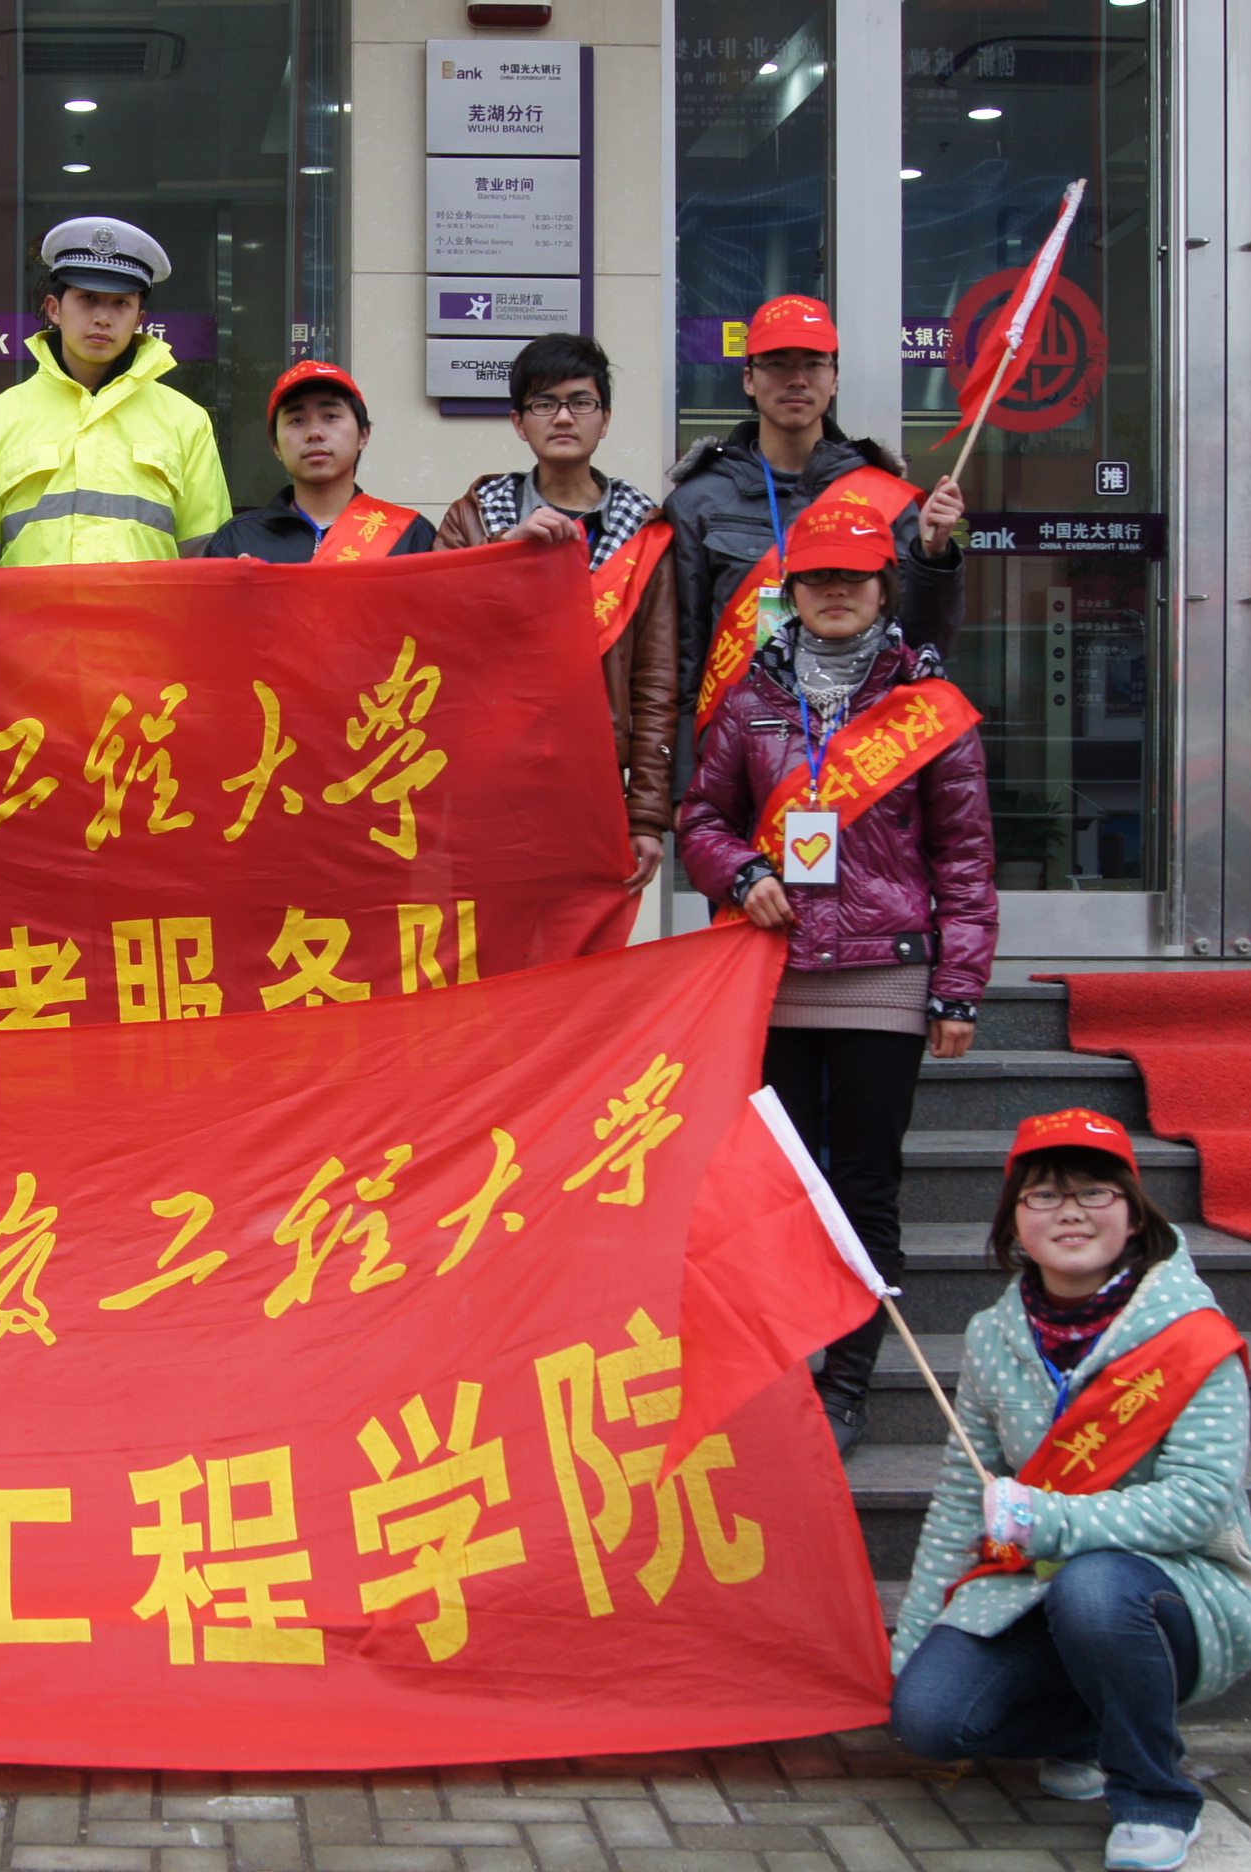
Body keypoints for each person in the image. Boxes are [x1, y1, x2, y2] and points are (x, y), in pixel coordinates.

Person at [674, 497, 995, 1450]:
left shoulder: (927, 705)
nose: (836, 594)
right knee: (780, 1183)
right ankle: (784, 1368)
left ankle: (848, 1381)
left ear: (884, 588)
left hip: (882, 980)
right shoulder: (751, 701)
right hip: (770, 978)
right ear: (795, 593)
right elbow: (702, 820)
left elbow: (965, 858)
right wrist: (743, 874)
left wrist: (959, 987)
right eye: (818, 580)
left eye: (853, 579)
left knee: (863, 1185)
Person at [890, 1109, 1251, 1872]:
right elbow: (962, 1497)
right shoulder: (993, 1336)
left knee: (1095, 1587)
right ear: (1014, 1223)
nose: (1069, 1212)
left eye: (1095, 1192)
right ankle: (1089, 1731)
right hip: (1032, 1587)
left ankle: (1155, 1796)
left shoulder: (1191, 1334)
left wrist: (1049, 1519)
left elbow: (1200, 1502)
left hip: (1180, 1586)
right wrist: (914, 1642)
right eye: (1043, 1195)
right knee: (928, 1718)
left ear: (1134, 1214)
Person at [431, 333, 680, 890]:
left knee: (581, 935)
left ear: (605, 419)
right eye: (544, 404)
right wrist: (504, 556)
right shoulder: (475, 517)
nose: (564, 417)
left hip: (594, 781)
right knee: (490, 932)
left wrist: (645, 814)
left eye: (581, 402)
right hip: (488, 775)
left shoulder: (645, 532)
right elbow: (434, 631)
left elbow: (656, 681)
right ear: (519, 423)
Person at [664, 294, 966, 747]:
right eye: (777, 364)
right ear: (748, 378)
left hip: (859, 752)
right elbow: (682, 657)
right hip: (737, 754)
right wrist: (687, 772)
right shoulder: (698, 501)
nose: (797, 379)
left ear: (835, 379)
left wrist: (934, 557)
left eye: (814, 364)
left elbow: (923, 645)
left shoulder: (883, 497)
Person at [0, 216, 232, 564]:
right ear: (54, 309)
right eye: (88, 298)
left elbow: (209, 565)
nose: (103, 317)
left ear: (139, 319)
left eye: (120, 303)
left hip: (147, 605)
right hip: (30, 605)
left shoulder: (187, 422)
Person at [202, 361, 437, 563]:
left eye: (331, 416)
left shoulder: (410, 534)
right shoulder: (237, 539)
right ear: (276, 446)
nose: (314, 433)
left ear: (363, 435)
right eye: (297, 420)